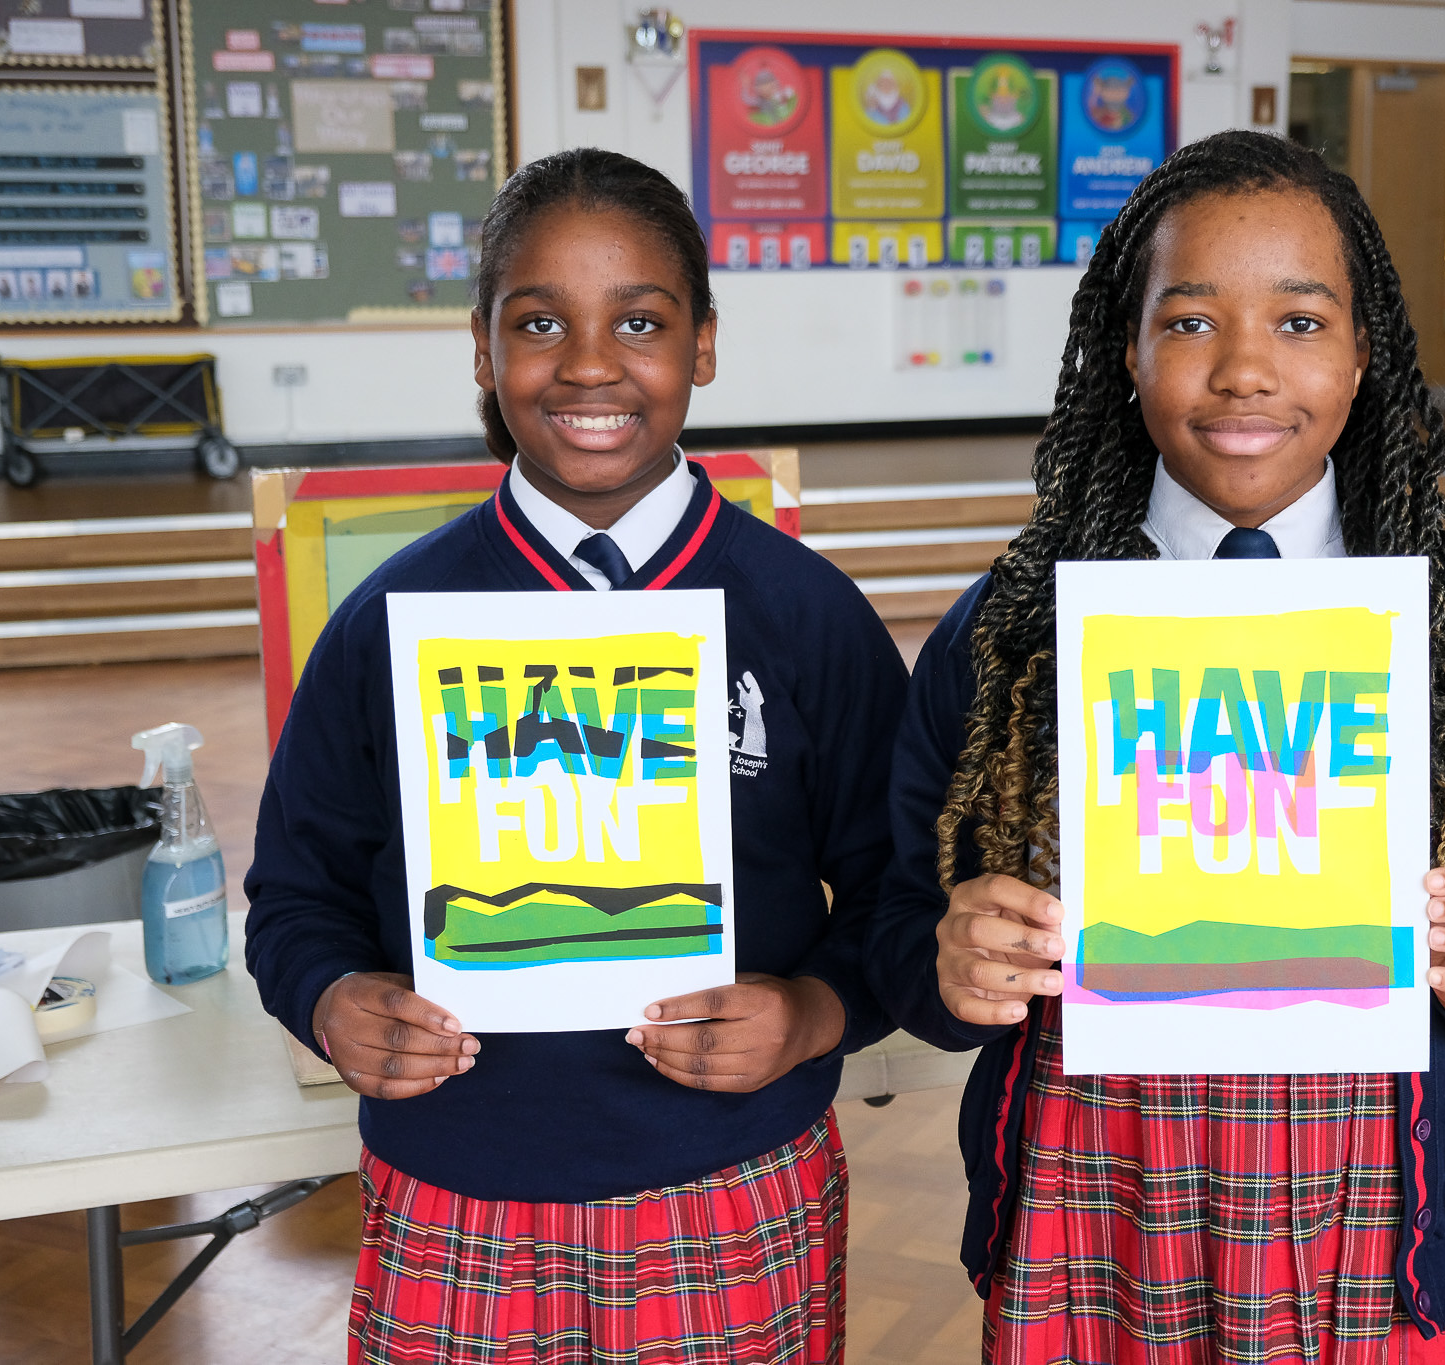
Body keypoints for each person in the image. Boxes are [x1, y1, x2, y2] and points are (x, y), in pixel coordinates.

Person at [867, 129, 1445, 1364]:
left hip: (1362, 1206)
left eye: (1301, 324)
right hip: (1089, 1196)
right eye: (1191, 321)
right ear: (1127, 348)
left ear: (1365, 352)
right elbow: (899, 925)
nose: (1245, 372)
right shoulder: (1009, 632)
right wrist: (944, 965)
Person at [244, 149, 908, 1363]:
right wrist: (333, 1000)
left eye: (640, 321)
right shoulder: (389, 620)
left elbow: (895, 896)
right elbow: (294, 896)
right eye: (539, 321)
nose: (590, 364)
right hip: (453, 1191)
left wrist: (813, 1012)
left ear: (702, 342)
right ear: (483, 351)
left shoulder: (805, 618)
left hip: (728, 1178)